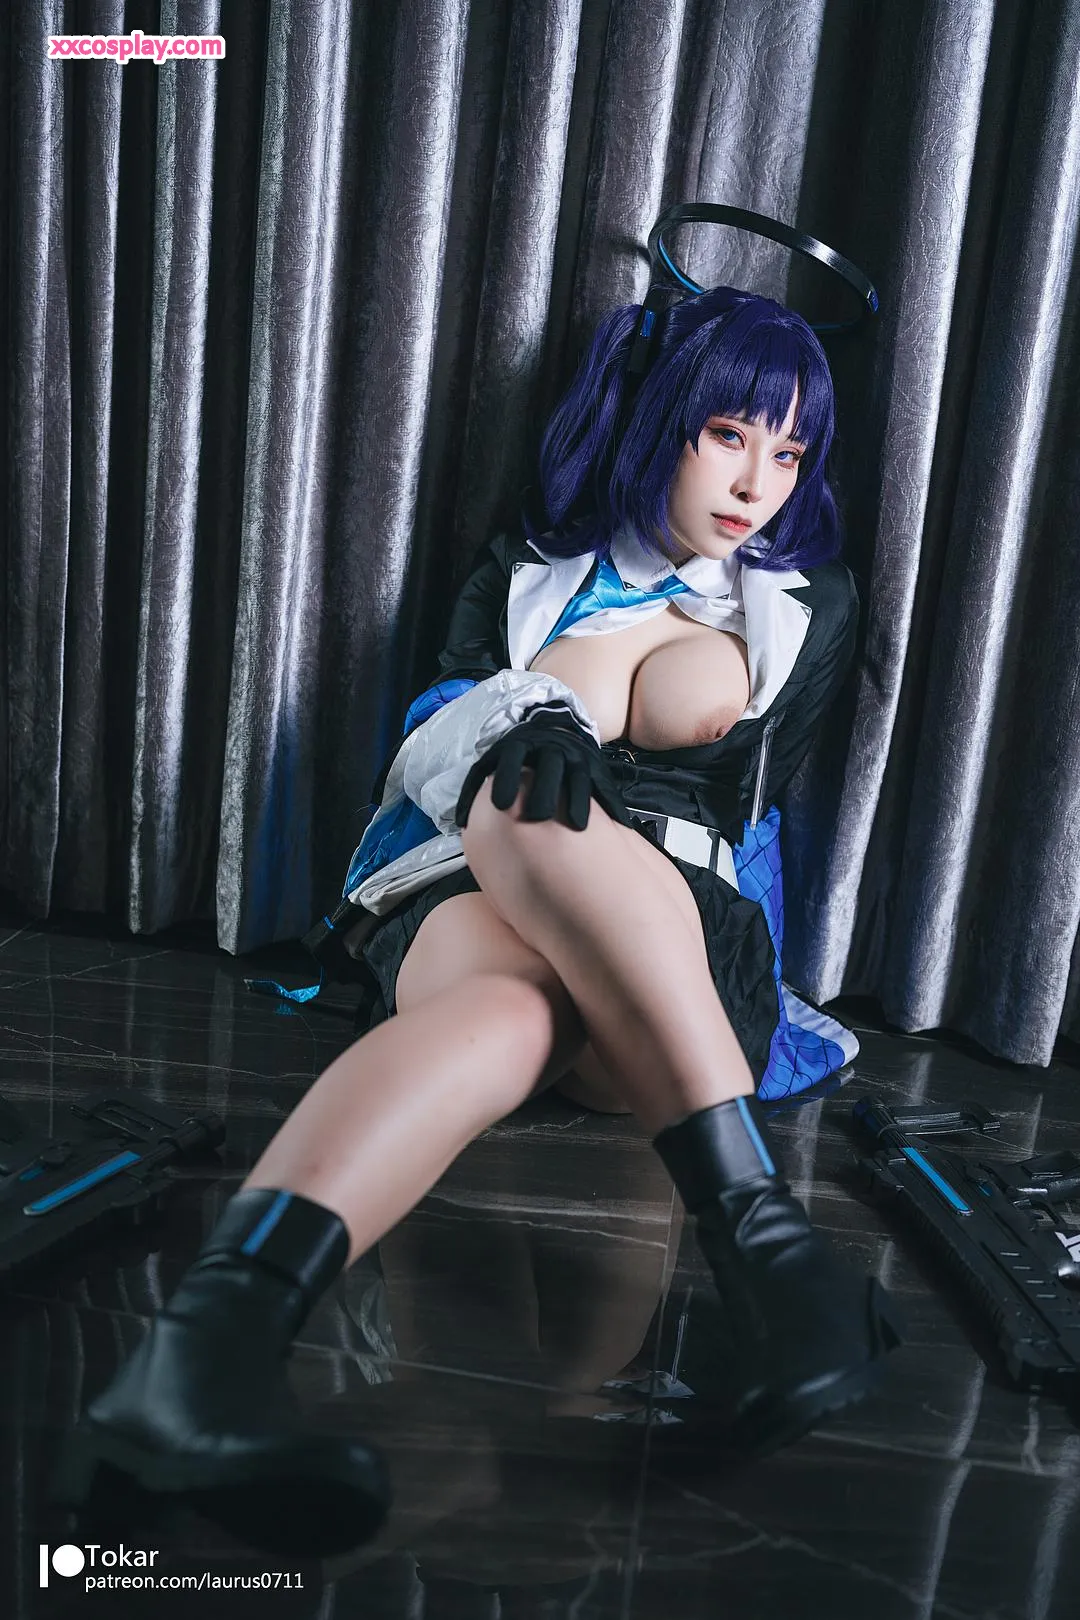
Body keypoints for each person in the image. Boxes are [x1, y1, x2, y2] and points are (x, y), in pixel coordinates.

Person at [53, 284, 900, 1557]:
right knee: (516, 829)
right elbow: (436, 722)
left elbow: (754, 806)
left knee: (536, 834)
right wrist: (521, 723)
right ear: (660, 422)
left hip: (676, 941)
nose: (756, 484)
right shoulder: (531, 567)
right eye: (729, 434)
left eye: (789, 453)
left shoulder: (804, 601)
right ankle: (776, 1260)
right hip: (483, 892)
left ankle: (184, 1372)